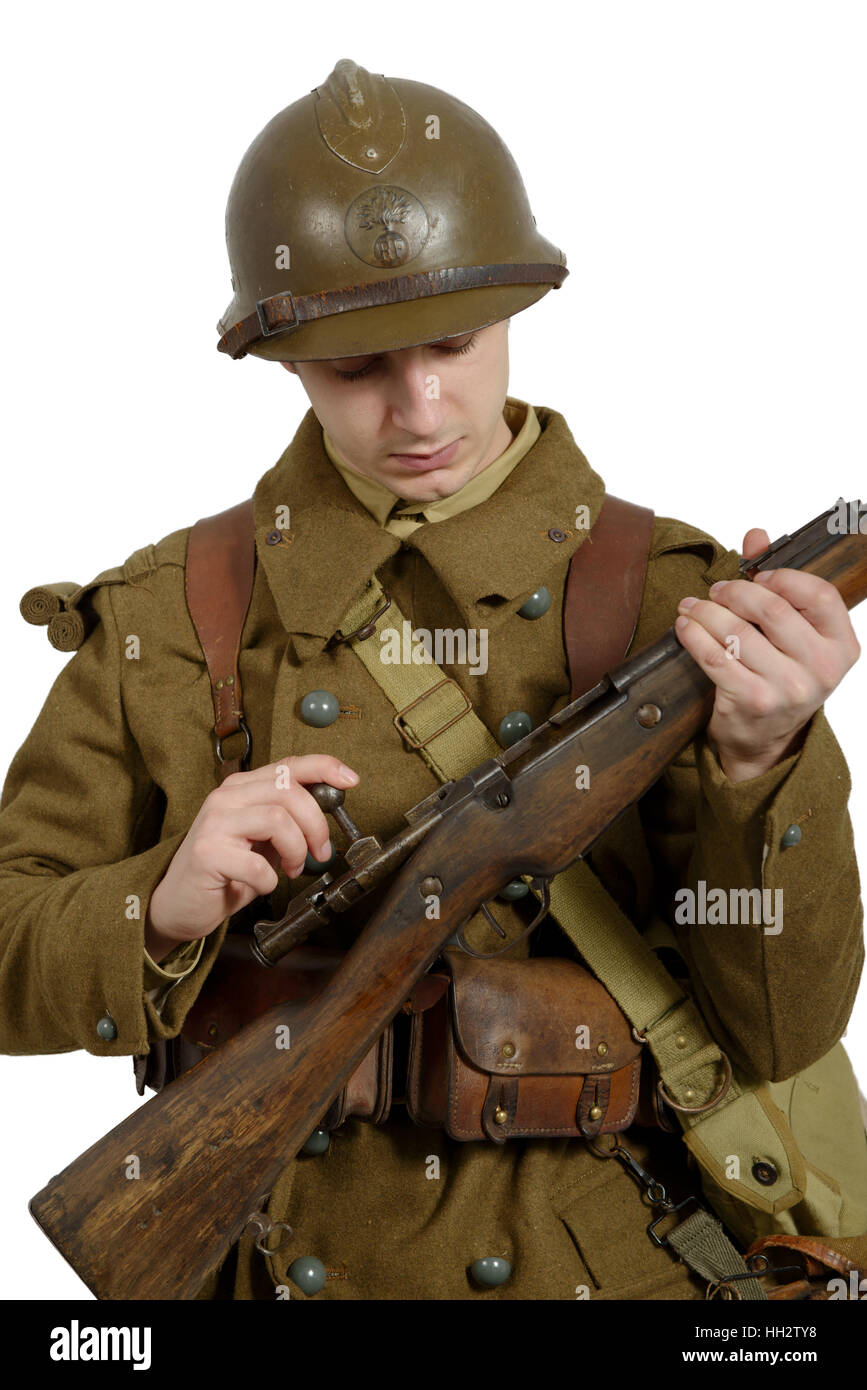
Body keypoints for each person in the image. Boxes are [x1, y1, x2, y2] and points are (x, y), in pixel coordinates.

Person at [0, 58, 863, 1302]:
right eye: (359, 368)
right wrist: (161, 905)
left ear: (515, 307)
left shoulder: (679, 605)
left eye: (455, 343)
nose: (421, 405)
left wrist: (762, 764)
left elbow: (784, 1030)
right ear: (284, 355)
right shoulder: (164, 619)